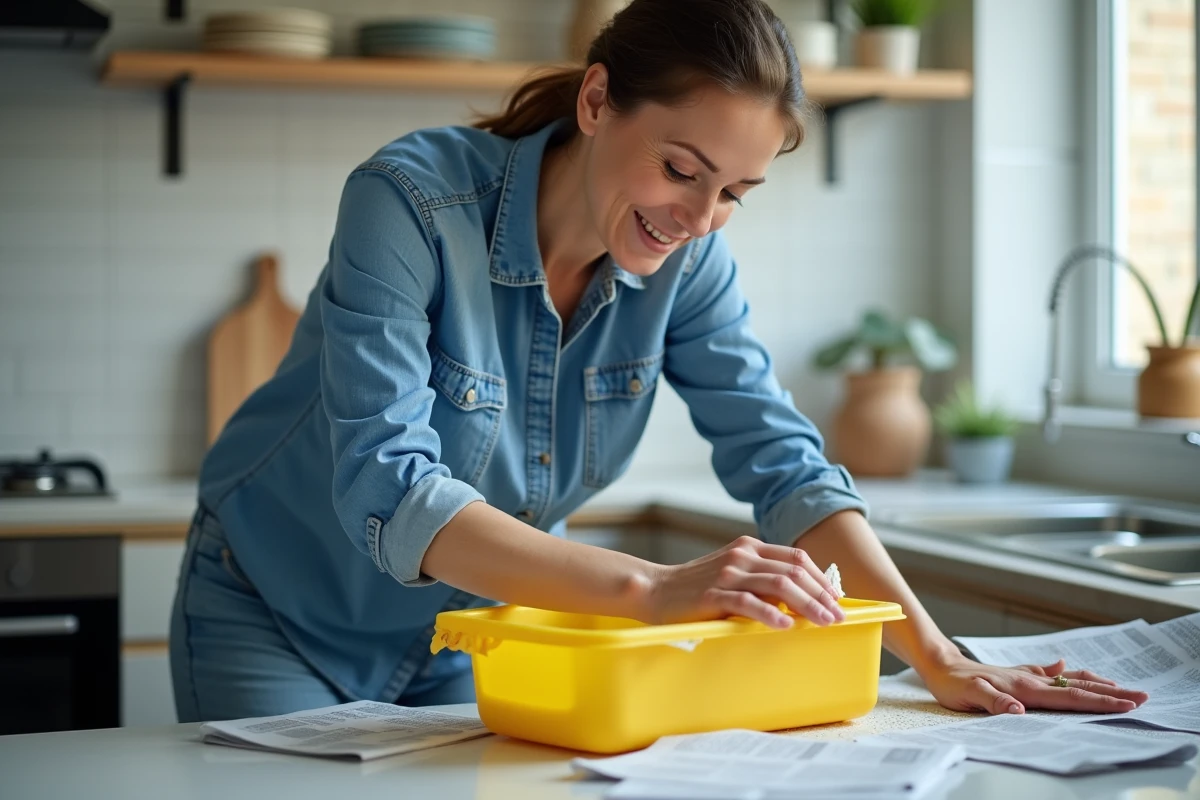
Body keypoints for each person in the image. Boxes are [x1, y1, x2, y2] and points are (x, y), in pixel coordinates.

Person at [169, 0, 1148, 723]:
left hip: (466, 634)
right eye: (681, 168)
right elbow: (390, 479)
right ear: (598, 100)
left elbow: (786, 466)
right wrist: (653, 588)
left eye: (735, 192)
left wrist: (936, 658)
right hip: (277, 610)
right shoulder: (409, 202)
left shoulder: (690, 263)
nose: (698, 217)